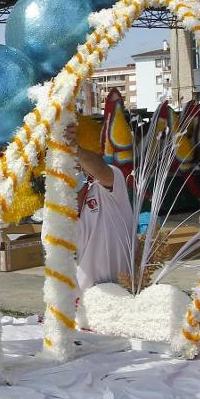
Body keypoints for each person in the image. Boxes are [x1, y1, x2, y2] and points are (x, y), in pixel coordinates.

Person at [64, 122, 135, 292]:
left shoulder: (107, 188)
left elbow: (101, 169)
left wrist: (74, 147)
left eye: (73, 164)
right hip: (84, 300)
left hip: (123, 292)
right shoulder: (58, 211)